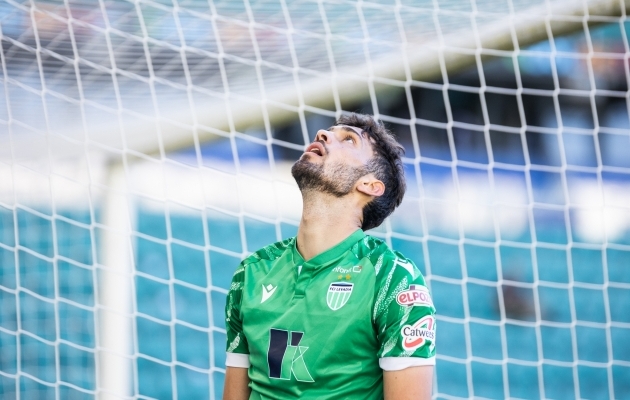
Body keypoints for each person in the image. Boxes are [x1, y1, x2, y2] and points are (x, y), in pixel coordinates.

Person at [223, 113, 436, 399]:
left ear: (370, 185)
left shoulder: (393, 279)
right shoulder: (252, 272)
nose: (322, 133)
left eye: (348, 139)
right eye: (328, 131)